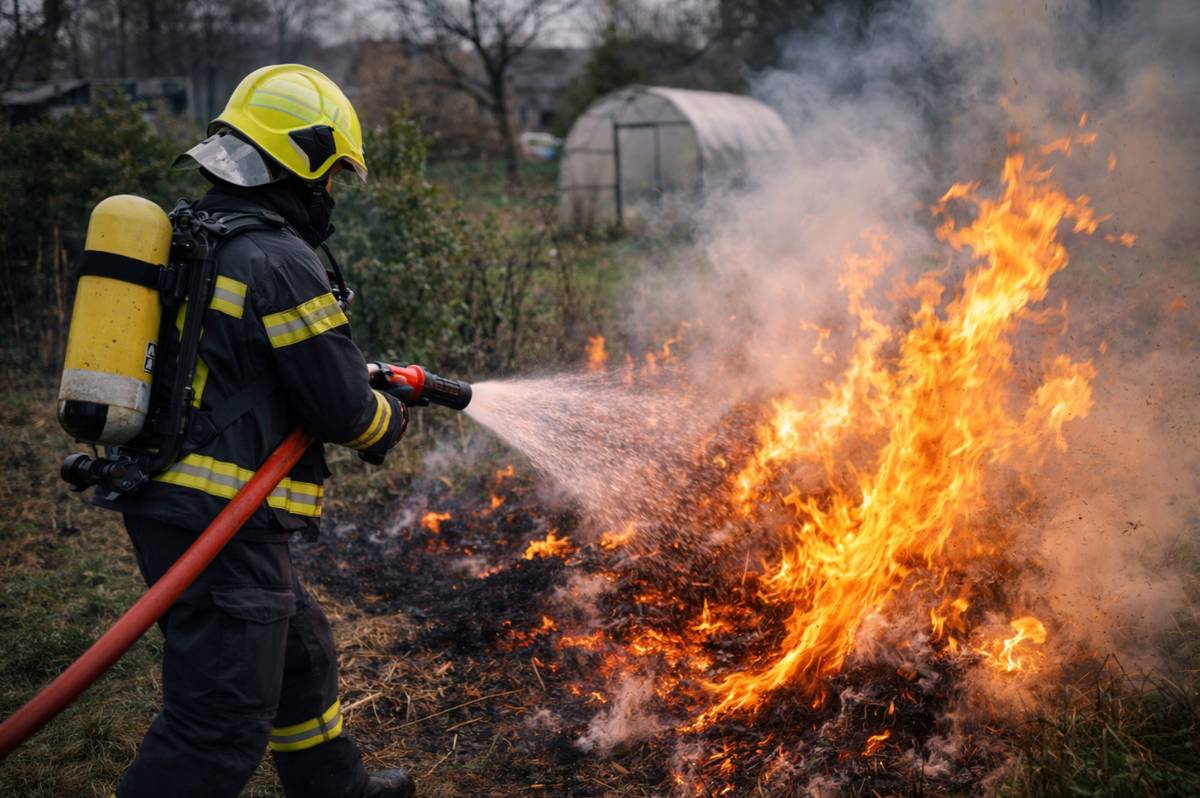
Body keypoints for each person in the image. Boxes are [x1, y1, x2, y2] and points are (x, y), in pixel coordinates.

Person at [99, 64, 416, 798]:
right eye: (332, 173)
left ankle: (336, 788)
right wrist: (388, 420)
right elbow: (341, 411)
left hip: (176, 505)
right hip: (220, 518)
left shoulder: (195, 233)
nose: (331, 192)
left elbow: (241, 362)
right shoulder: (279, 259)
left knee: (297, 652)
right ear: (303, 163)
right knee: (216, 726)